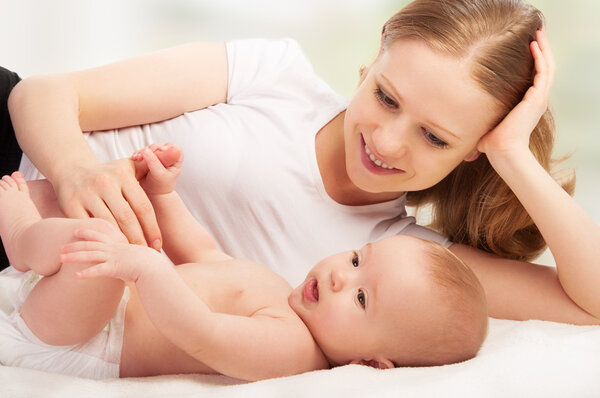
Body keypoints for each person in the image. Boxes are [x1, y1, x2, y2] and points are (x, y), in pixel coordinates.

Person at [3, 0, 600, 324]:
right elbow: (43, 95)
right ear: (374, 57)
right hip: (17, 155)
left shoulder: (399, 261)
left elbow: (591, 305)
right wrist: (75, 169)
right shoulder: (275, 73)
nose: (388, 143)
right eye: (386, 97)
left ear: (477, 146)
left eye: (435, 137)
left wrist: (513, 155)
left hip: (33, 270)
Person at [0, 143, 488, 380]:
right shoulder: (282, 293)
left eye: (362, 297)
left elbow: (202, 334)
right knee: (98, 237)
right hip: (77, 309)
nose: (341, 274)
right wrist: (164, 193)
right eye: (358, 259)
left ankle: (22, 238)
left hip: (80, 340)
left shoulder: (293, 351)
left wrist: (148, 269)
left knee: (98, 236)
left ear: (370, 362)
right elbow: (205, 254)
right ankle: (27, 247)